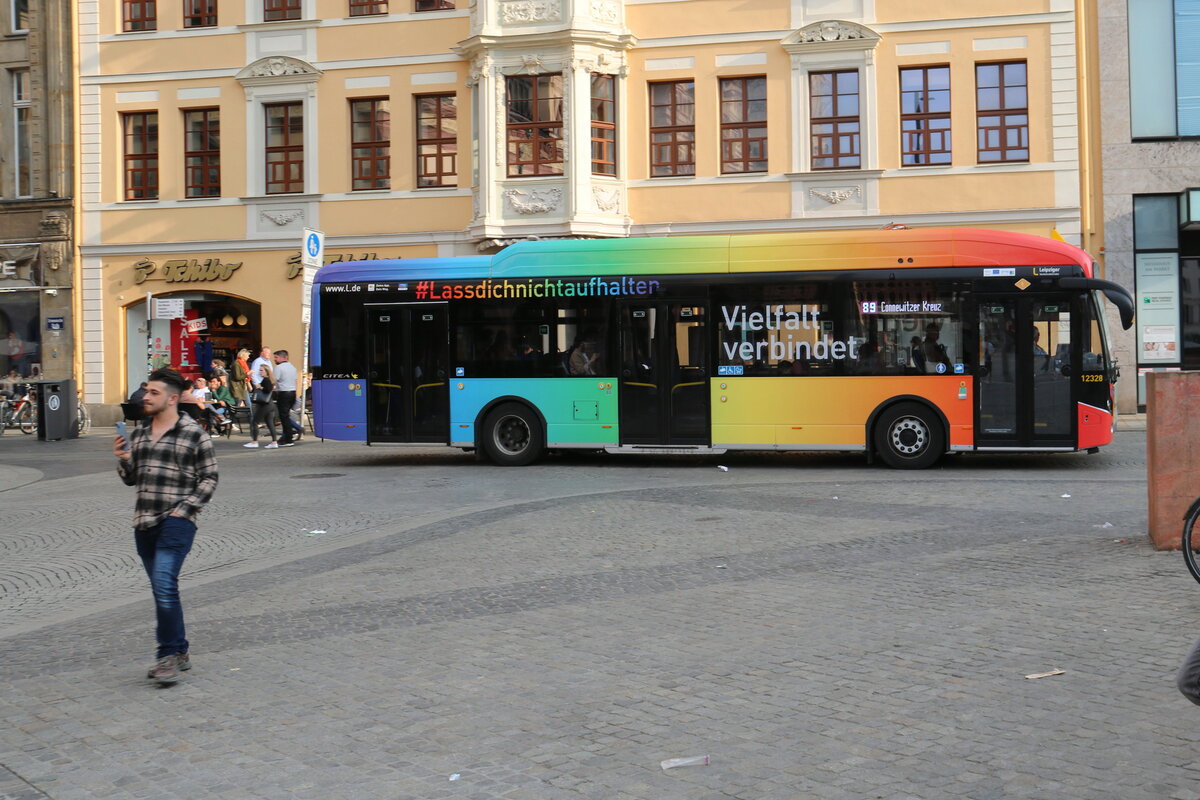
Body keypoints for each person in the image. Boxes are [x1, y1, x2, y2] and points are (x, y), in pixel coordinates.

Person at [113, 367, 218, 686]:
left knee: (163, 582)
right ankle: (181, 650)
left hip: (177, 523)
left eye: (153, 392)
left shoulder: (194, 433)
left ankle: (167, 656)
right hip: (144, 522)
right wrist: (124, 459)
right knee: (164, 589)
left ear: (172, 399)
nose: (145, 396)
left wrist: (184, 510)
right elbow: (133, 479)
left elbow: (210, 477)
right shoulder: (142, 433)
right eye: (146, 391)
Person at [245, 362, 278, 449]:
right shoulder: (268, 380)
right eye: (260, 370)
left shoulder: (266, 380)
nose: (260, 372)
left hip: (264, 405)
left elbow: (267, 389)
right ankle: (274, 442)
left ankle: (254, 441)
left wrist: (260, 387)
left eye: (261, 370)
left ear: (267, 371)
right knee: (270, 423)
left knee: (255, 422)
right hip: (270, 404)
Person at [272, 349, 299, 447]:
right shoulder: (293, 367)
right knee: (286, 416)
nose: (275, 359)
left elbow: (274, 380)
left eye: (276, 357)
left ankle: (288, 439)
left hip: (283, 393)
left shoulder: (279, 368)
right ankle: (286, 436)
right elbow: (295, 381)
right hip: (292, 392)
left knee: (284, 417)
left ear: (284, 357)